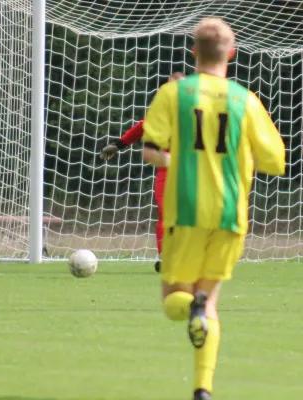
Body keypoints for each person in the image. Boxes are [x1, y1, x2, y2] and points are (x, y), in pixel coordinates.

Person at [142, 18, 285, 400]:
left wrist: (173, 160)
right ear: (232, 54)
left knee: (174, 300)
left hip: (185, 210)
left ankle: (193, 306)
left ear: (194, 52)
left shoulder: (174, 94)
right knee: (211, 304)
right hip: (229, 215)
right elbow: (275, 161)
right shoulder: (245, 100)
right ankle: (203, 388)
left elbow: (151, 149)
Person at [100, 72, 186, 273]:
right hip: (167, 170)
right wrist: (119, 145)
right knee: (166, 214)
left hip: (196, 171)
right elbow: (141, 127)